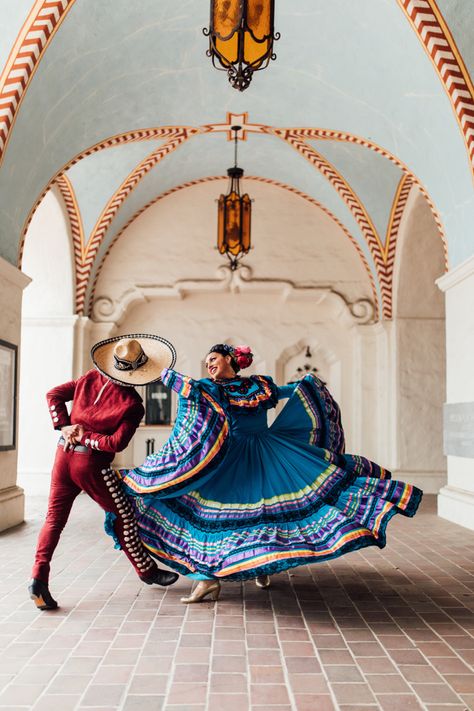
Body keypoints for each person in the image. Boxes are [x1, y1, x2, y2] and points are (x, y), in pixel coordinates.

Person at [100, 343, 422, 604]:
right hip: (233, 454)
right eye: (207, 361)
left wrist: (307, 387)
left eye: (214, 359)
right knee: (219, 516)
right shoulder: (211, 388)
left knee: (263, 511)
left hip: (267, 452)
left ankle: (256, 566)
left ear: (230, 359)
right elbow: (188, 388)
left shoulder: (260, 385)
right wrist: (157, 371)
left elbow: (284, 393)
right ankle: (210, 580)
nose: (209, 365)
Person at [29, 334, 179, 611]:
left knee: (53, 520)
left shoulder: (88, 379)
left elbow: (53, 395)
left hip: (62, 456)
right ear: (139, 372)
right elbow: (115, 443)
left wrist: (65, 428)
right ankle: (146, 570)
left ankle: (38, 578)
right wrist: (82, 435)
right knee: (124, 515)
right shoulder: (133, 405)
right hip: (91, 466)